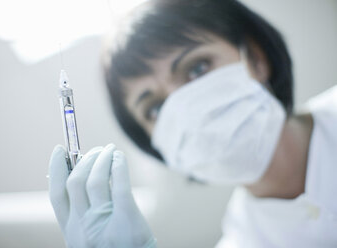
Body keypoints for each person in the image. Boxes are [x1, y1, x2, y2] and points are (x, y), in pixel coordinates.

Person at [48, 0, 337, 247]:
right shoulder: (244, 239)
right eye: (155, 108)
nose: (184, 108)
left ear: (256, 58)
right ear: (156, 145)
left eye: (197, 68)